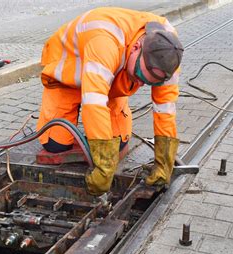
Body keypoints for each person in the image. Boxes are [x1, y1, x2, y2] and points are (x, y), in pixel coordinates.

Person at [36, 7, 184, 195]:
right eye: (139, 75)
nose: (139, 83)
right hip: (67, 77)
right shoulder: (104, 41)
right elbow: (94, 101)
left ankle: (96, 138)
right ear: (137, 48)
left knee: (118, 143)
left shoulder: (169, 54)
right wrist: (105, 167)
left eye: (146, 83)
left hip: (111, 80)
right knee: (55, 146)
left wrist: (164, 164)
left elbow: (165, 109)